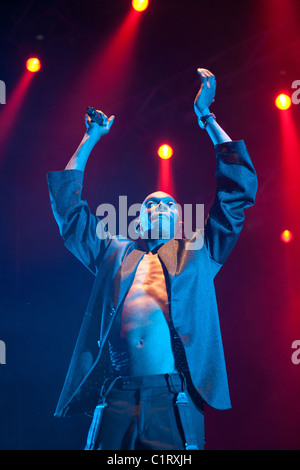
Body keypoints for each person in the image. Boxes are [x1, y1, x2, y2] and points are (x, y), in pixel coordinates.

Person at [46, 68, 258, 450]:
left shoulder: (199, 251)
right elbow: (69, 212)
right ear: (138, 218)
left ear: (179, 217)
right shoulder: (114, 252)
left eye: (167, 203)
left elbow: (238, 192)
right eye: (149, 203)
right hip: (115, 397)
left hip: (172, 397)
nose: (159, 206)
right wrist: (89, 139)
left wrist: (207, 117)